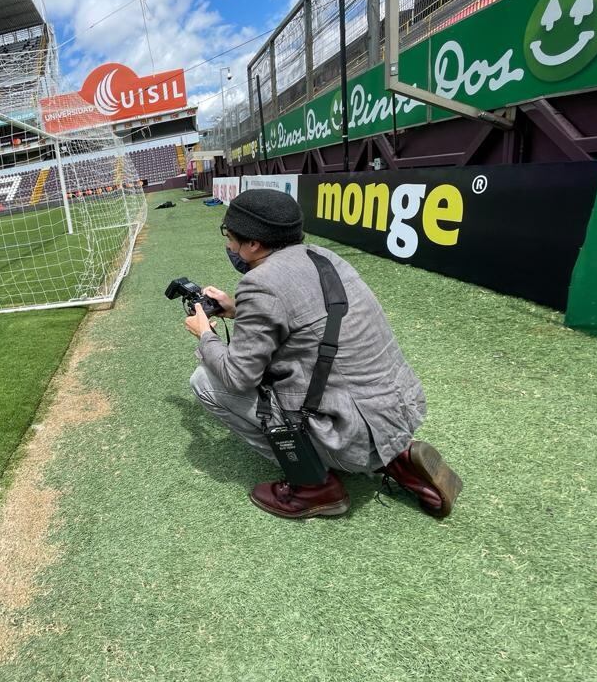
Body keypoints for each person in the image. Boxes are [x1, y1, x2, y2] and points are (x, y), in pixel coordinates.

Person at [185, 188, 462, 520]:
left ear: (254, 244)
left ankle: (313, 485)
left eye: (230, 237)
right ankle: (395, 457)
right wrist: (236, 310)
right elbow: (307, 322)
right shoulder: (325, 257)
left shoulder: (260, 283)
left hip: (350, 428)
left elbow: (238, 376)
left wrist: (205, 335)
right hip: (399, 409)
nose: (229, 246)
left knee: (204, 381)